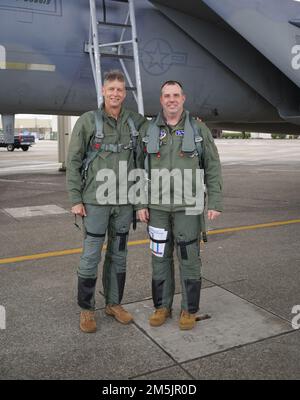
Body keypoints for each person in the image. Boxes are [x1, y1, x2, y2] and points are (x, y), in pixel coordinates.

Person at [137, 80, 223, 330]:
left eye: (176, 95)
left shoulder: (198, 130)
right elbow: (138, 169)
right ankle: (162, 307)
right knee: (159, 258)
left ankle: (188, 310)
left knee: (190, 259)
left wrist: (215, 201)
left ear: (183, 98)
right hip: (158, 209)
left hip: (189, 207)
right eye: (167, 95)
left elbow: (213, 167)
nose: (171, 99)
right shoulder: (149, 130)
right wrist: (140, 203)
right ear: (161, 99)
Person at [66, 70, 146, 333]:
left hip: (124, 203)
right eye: (111, 88)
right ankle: (87, 310)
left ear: (125, 93)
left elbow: (161, 133)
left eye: (120, 90)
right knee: (90, 257)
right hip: (95, 202)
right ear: (103, 91)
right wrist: (75, 199)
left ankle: (113, 304)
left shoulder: (135, 122)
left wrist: (191, 125)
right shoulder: (88, 121)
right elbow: (74, 161)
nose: (115, 93)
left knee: (119, 255)